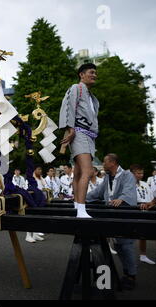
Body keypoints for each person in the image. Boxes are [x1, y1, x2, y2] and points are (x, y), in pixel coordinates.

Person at [86, 154, 138, 289]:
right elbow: (98, 192)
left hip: (124, 216)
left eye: (104, 162)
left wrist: (122, 198)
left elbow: (129, 192)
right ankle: (126, 273)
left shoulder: (127, 175)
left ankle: (131, 275)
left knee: (126, 246)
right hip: (113, 216)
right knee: (119, 246)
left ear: (112, 163)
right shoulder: (107, 177)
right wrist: (82, 198)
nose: (103, 164)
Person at [59, 63, 99, 218]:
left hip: (89, 135)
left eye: (95, 73)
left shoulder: (91, 97)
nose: (94, 75)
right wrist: (70, 129)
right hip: (79, 132)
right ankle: (81, 209)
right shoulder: (77, 87)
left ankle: (77, 205)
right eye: (91, 72)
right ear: (82, 74)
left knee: (79, 171)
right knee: (88, 170)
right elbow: (68, 107)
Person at [130, 164, 156, 265]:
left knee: (143, 234)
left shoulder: (144, 184)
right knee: (130, 236)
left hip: (145, 211)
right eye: (138, 173)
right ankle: (130, 257)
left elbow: (150, 197)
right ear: (132, 173)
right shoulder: (128, 185)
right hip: (134, 211)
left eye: (142, 173)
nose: (141, 175)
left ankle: (143, 255)